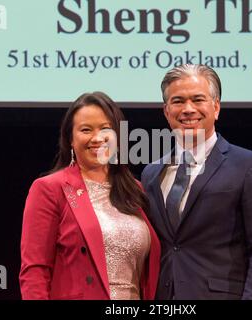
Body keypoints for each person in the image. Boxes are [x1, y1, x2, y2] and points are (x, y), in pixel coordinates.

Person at [141, 64, 252, 300]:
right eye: (178, 101)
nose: (188, 109)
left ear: (216, 107)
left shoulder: (250, 166)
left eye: (198, 99)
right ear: (166, 111)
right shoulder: (152, 173)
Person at [20, 92, 160, 300]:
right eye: (86, 130)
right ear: (70, 139)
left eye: (106, 129)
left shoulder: (136, 190)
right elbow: (35, 272)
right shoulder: (50, 189)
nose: (97, 138)